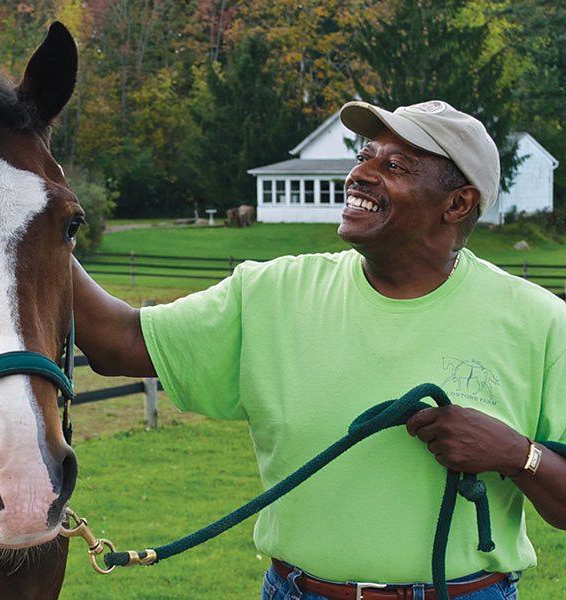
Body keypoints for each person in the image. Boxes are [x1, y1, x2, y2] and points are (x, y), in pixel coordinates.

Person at [71, 100, 566, 599]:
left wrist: (516, 454)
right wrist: (33, 217)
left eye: (392, 166)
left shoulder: (540, 322)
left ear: (458, 204)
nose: (359, 175)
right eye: (364, 156)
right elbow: (122, 343)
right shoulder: (270, 293)